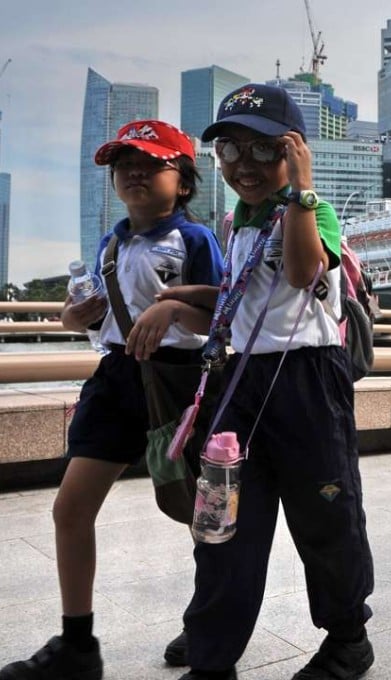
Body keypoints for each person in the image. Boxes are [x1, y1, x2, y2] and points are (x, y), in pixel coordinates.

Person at [164, 84, 375, 680]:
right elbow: (243, 295)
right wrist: (178, 299)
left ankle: (347, 638)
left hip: (307, 378)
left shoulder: (313, 211)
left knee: (326, 513)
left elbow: (306, 270)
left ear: (293, 150)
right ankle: (212, 653)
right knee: (223, 521)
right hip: (240, 380)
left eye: (262, 150)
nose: (244, 166)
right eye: (229, 151)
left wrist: (304, 190)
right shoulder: (237, 222)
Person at [0, 120, 224, 680]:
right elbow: (96, 313)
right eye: (124, 165)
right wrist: (74, 317)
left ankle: (213, 618)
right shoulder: (111, 242)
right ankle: (78, 644)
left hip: (176, 382)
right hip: (116, 379)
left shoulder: (194, 240)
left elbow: (223, 317)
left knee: (201, 514)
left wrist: (174, 308)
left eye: (150, 164)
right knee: (70, 508)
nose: (134, 173)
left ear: (184, 180)